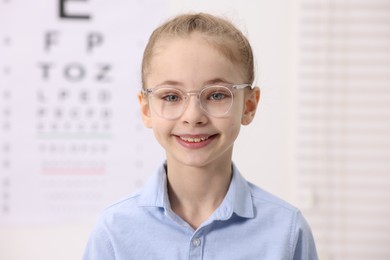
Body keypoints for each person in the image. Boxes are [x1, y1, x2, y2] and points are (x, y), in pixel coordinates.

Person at [83, 12, 318, 259]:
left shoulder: (287, 231)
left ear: (249, 105)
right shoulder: (113, 232)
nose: (193, 116)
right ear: (146, 109)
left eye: (217, 95)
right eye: (171, 96)